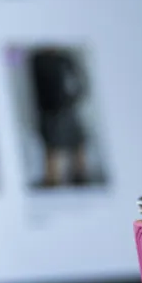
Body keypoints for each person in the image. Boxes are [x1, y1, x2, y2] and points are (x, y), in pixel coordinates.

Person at [29, 47, 91, 187]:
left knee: (77, 144)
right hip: (48, 112)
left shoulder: (65, 59)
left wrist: (71, 100)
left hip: (67, 109)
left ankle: (81, 178)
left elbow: (81, 83)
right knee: (52, 148)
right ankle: (53, 182)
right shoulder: (37, 60)